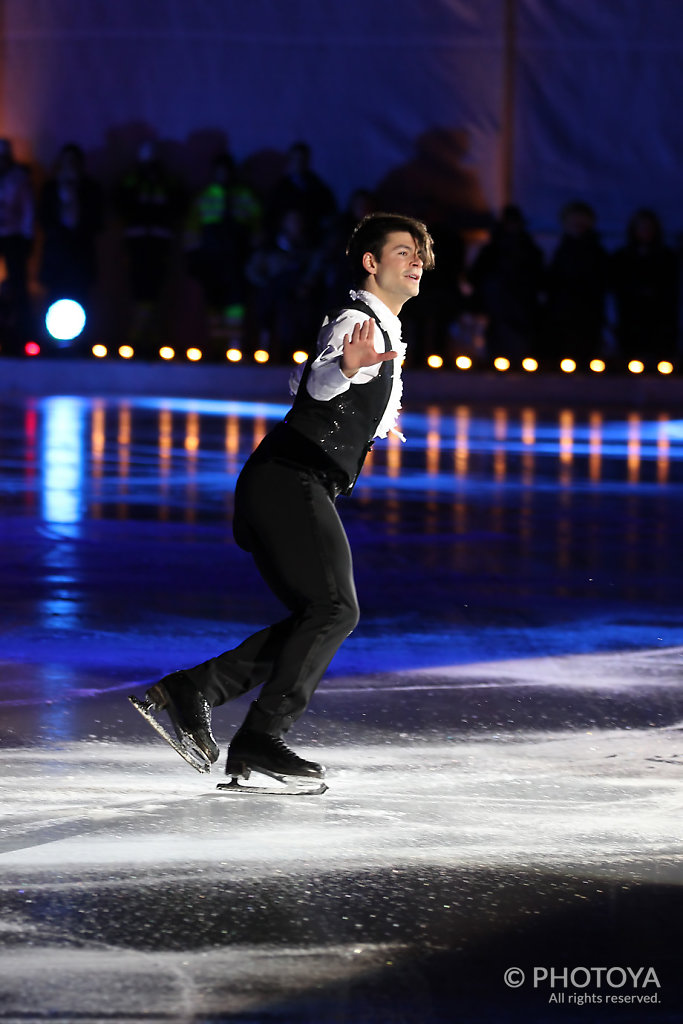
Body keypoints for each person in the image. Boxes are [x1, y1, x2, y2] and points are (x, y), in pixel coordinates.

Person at [132, 212, 434, 785]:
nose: (416, 260)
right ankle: (262, 736)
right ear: (370, 262)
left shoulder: (383, 329)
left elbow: (300, 384)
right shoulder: (355, 318)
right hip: (288, 480)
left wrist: (370, 412)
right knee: (336, 610)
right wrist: (345, 369)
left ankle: (197, 693)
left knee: (316, 617)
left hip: (294, 482)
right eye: (403, 252)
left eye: (420, 253)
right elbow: (319, 381)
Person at [38, 142, 104, 307]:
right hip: (56, 257)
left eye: (73, 161)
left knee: (81, 302)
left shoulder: (91, 189)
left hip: (81, 257)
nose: (69, 165)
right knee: (53, 302)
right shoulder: (50, 188)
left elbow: (97, 220)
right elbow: (43, 218)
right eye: (66, 160)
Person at [0, 138, 34, 347]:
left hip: (14, 237)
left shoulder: (19, 179)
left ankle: (21, 333)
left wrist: (26, 237)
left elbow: (28, 210)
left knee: (19, 285)